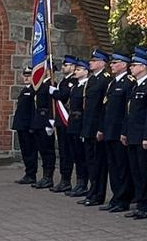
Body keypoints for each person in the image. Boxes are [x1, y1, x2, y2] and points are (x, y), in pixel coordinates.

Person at [122, 51, 147, 218]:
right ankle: (139, 203)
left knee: (144, 171)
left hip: (142, 136)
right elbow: (129, 112)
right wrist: (125, 132)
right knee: (135, 171)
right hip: (132, 135)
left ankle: (146, 206)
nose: (131, 68)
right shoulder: (136, 85)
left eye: (134, 65)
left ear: (143, 67)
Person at [102, 53, 134, 212]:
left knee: (122, 167)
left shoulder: (129, 83)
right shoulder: (113, 83)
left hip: (119, 131)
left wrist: (125, 131)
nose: (112, 65)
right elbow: (107, 108)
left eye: (115, 63)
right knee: (113, 166)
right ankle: (116, 197)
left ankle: (123, 199)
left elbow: (128, 111)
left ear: (124, 65)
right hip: (110, 130)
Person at [81, 50, 112, 205]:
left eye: (94, 60)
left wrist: (100, 128)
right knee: (90, 161)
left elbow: (103, 107)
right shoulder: (92, 80)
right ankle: (92, 191)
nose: (90, 63)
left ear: (102, 62)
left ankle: (98, 194)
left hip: (97, 127)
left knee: (98, 163)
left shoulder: (105, 80)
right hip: (88, 126)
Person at [53, 56, 87, 194]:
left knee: (74, 154)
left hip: (72, 121)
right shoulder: (68, 82)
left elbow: (63, 96)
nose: (63, 67)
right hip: (66, 121)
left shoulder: (73, 83)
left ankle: (79, 182)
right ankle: (65, 180)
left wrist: (55, 92)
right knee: (64, 152)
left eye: (66, 65)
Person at [32, 67, 58, 189]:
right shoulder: (41, 84)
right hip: (39, 120)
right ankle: (44, 176)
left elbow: (53, 104)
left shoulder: (52, 84)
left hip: (47, 119)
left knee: (48, 150)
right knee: (42, 150)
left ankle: (48, 177)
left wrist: (51, 121)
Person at [11, 77, 40, 185]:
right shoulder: (25, 89)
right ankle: (28, 173)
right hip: (21, 125)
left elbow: (34, 110)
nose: (26, 77)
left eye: (29, 75)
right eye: (24, 75)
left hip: (28, 126)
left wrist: (33, 126)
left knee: (30, 151)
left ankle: (32, 174)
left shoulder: (33, 91)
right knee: (25, 151)